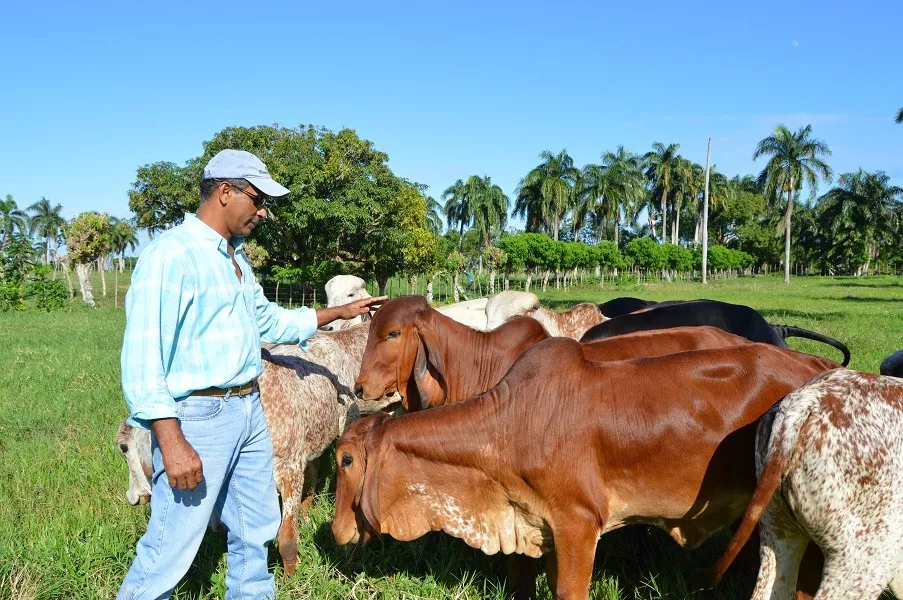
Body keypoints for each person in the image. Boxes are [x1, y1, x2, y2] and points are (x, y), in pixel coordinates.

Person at [117, 149, 385, 599]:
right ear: (225, 192)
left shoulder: (234, 261)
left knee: (253, 530)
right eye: (257, 199)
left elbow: (269, 322)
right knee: (171, 543)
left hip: (248, 406)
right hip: (199, 416)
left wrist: (340, 312)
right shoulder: (171, 257)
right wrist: (171, 438)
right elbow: (143, 360)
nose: (263, 212)